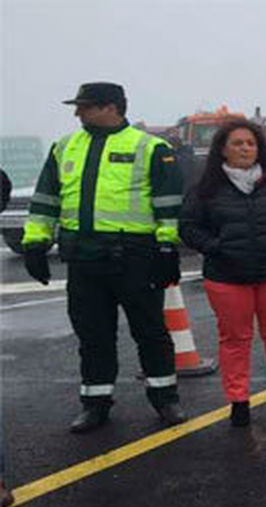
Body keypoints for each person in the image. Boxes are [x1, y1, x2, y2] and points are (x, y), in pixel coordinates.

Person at [21, 82, 187, 433]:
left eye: (85, 106)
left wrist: (167, 246)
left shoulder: (150, 148)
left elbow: (168, 204)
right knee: (93, 335)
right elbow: (46, 200)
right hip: (83, 260)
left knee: (151, 332)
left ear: (111, 107)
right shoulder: (64, 146)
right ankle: (95, 404)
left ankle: (165, 400)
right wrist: (35, 244)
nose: (78, 113)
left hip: (135, 257)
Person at [179, 120, 266, 426]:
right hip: (227, 277)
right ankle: (238, 402)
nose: (245, 148)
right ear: (223, 149)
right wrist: (215, 246)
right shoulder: (206, 189)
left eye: (251, 143)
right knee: (234, 340)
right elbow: (188, 227)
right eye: (237, 143)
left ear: (260, 148)